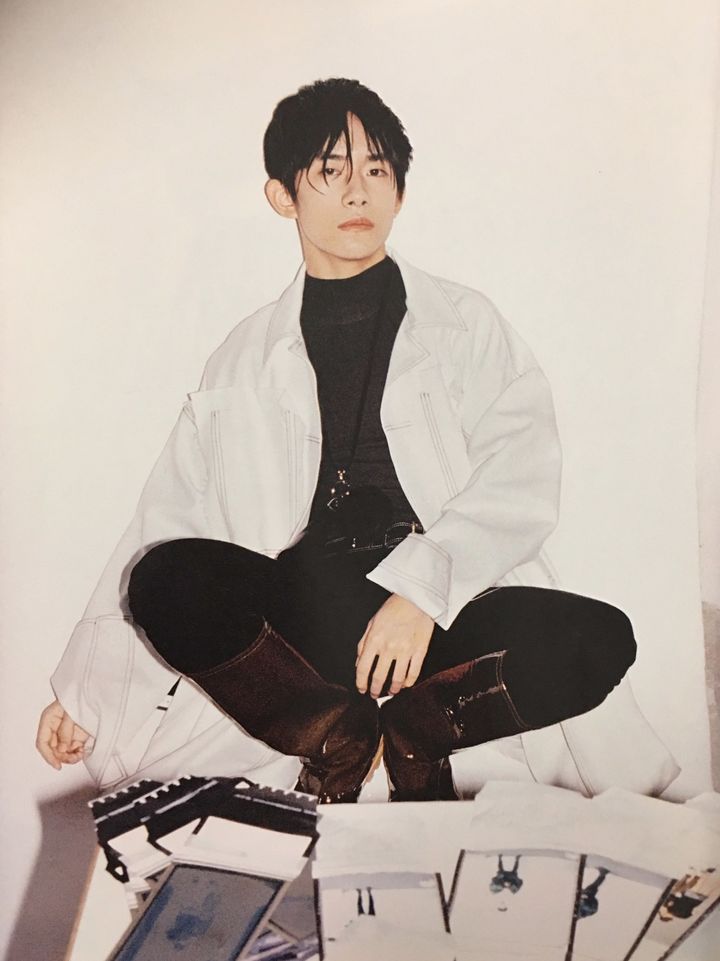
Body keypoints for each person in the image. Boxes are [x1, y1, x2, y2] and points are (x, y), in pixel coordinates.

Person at [36, 78, 636, 802]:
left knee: (600, 637)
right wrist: (88, 691)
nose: (358, 192)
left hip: (436, 612)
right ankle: (335, 735)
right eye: (330, 170)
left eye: (377, 170)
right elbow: (169, 512)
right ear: (283, 195)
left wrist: (419, 593)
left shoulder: (465, 324)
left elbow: (522, 474)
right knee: (165, 576)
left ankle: (420, 730)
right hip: (308, 623)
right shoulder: (243, 357)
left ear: (400, 192)